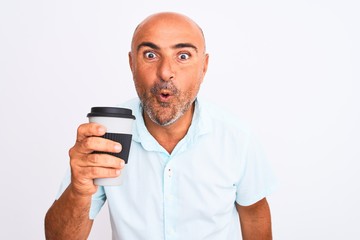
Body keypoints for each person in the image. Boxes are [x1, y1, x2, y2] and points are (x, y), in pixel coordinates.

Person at [45, 11, 277, 240]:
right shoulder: (107, 135)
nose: (165, 72)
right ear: (131, 63)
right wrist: (78, 191)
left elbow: (255, 216)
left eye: (183, 56)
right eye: (150, 55)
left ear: (204, 66)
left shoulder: (236, 138)